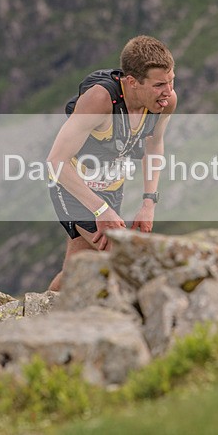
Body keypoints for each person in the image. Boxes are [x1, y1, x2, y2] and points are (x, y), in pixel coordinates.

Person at [46, 35, 177, 291]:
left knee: (78, 266)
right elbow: (56, 162)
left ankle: (34, 318)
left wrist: (149, 202)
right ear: (132, 82)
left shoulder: (165, 102)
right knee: (120, 254)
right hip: (73, 185)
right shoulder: (100, 99)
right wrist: (100, 210)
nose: (168, 92)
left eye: (172, 81)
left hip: (111, 186)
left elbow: (154, 144)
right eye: (159, 84)